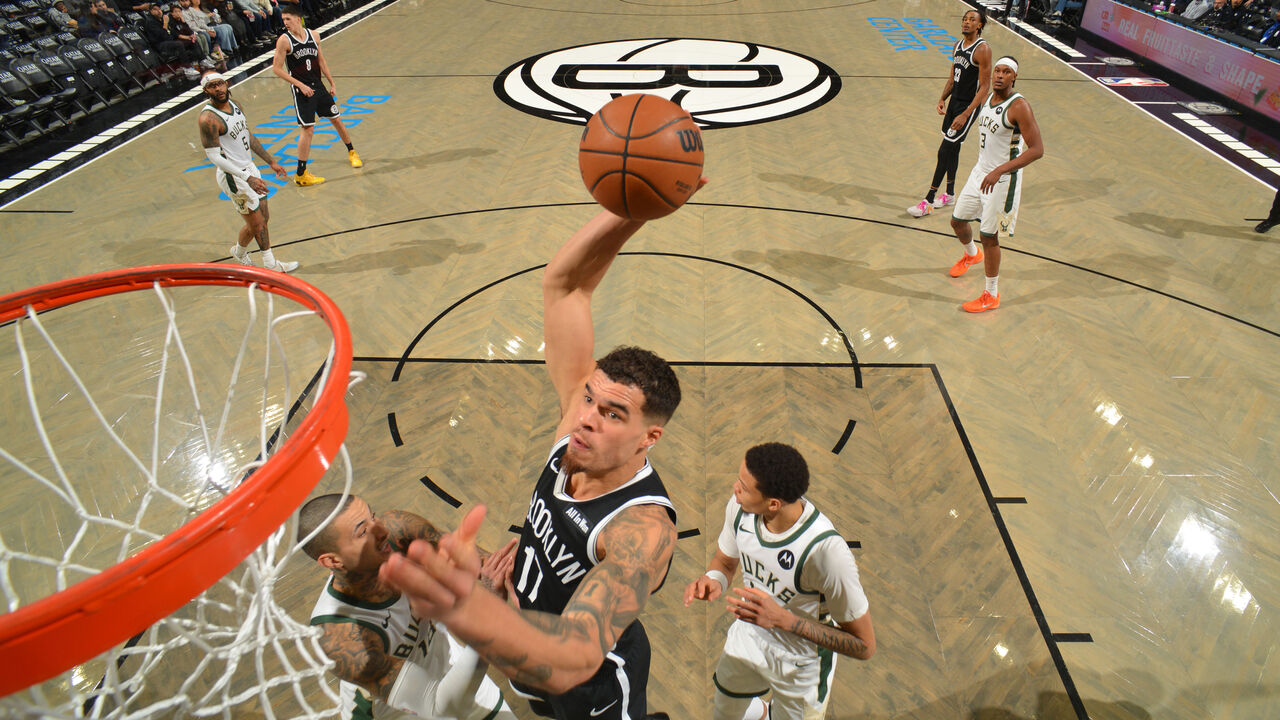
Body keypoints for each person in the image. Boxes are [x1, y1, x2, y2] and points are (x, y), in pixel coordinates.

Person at [378, 196, 712, 719]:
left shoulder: (643, 530)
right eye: (588, 399)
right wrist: (636, 206)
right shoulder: (576, 432)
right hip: (524, 642)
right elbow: (564, 285)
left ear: (650, 438)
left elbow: (575, 655)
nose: (586, 418)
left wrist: (474, 609)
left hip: (593, 686)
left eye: (613, 414)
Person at [684, 443, 875, 720]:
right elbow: (724, 562)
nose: (735, 488)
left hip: (802, 664)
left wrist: (785, 620)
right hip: (749, 638)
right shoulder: (739, 509)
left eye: (744, 487)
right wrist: (713, 580)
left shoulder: (826, 553)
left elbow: (864, 646)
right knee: (724, 714)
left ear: (773, 503)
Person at [297, 493, 518, 720]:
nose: (381, 531)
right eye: (363, 532)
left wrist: (512, 571)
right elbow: (438, 708)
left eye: (373, 516)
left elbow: (474, 561)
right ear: (332, 561)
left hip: (449, 666)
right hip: (402, 712)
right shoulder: (338, 637)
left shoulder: (397, 533)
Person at [946, 56, 1044, 313]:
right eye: (997, 70)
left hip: (1002, 180)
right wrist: (963, 116)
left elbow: (1037, 150)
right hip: (980, 172)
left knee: (989, 236)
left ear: (1015, 77)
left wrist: (999, 169)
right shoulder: (989, 97)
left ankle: (991, 294)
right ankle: (971, 254)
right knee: (957, 221)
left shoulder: (1019, 106)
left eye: (1006, 72)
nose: (1000, 75)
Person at [196, 72, 299, 272]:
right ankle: (271, 265)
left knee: (262, 219)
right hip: (234, 177)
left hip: (249, 168)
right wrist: (247, 177)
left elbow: (247, 136)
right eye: (212, 86)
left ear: (226, 84)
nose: (218, 89)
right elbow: (214, 157)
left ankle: (239, 251)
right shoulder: (208, 119)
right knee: (258, 224)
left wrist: (270, 161)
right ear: (206, 91)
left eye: (220, 84)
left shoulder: (235, 105)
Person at [907, 9, 991, 218]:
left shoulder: (982, 49)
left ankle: (928, 200)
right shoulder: (957, 46)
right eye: (964, 19)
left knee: (944, 151)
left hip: (968, 107)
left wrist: (966, 114)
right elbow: (953, 77)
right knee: (953, 149)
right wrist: (942, 98)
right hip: (954, 104)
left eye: (972, 20)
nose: (966, 22)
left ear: (979, 25)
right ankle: (950, 194)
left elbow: (984, 87)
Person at [273, 4, 361, 187]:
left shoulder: (314, 35)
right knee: (308, 129)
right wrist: (300, 85)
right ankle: (301, 174)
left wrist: (332, 83)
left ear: (298, 19)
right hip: (302, 90)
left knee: (336, 119)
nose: (285, 23)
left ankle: (352, 151)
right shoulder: (284, 40)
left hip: (318, 86)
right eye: (283, 20)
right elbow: (277, 69)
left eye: (288, 19)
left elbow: (321, 61)